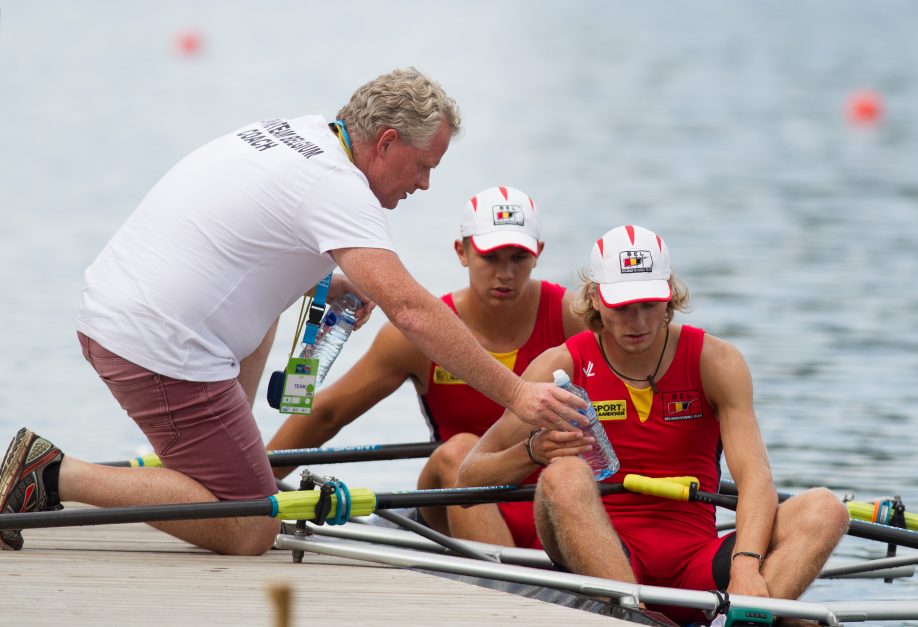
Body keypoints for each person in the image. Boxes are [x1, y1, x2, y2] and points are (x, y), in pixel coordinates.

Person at [0, 68, 587, 556]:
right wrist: (516, 394)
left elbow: (259, 234)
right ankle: (53, 474)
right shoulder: (340, 189)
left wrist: (328, 282)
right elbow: (410, 309)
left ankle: (228, 465)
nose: (427, 184)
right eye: (423, 165)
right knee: (255, 526)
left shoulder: (298, 133)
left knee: (286, 310)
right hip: (156, 346)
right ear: (385, 142)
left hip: (117, 305)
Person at [457, 224, 849, 623]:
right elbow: (468, 478)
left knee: (826, 510)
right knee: (563, 476)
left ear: (670, 294)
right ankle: (635, 613)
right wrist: (532, 452)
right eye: (622, 306)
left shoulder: (717, 362)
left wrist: (746, 567)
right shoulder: (562, 365)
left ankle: (744, 617)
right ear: (595, 298)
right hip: (608, 554)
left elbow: (755, 479)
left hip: (697, 560)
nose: (637, 321)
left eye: (648, 303)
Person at [267, 185, 586, 542]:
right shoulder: (419, 334)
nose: (505, 274)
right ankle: (515, 593)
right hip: (457, 498)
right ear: (461, 252)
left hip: (547, 494)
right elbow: (328, 415)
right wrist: (252, 487)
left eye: (518, 258)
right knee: (460, 449)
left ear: (538, 254)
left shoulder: (573, 317)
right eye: (491, 257)